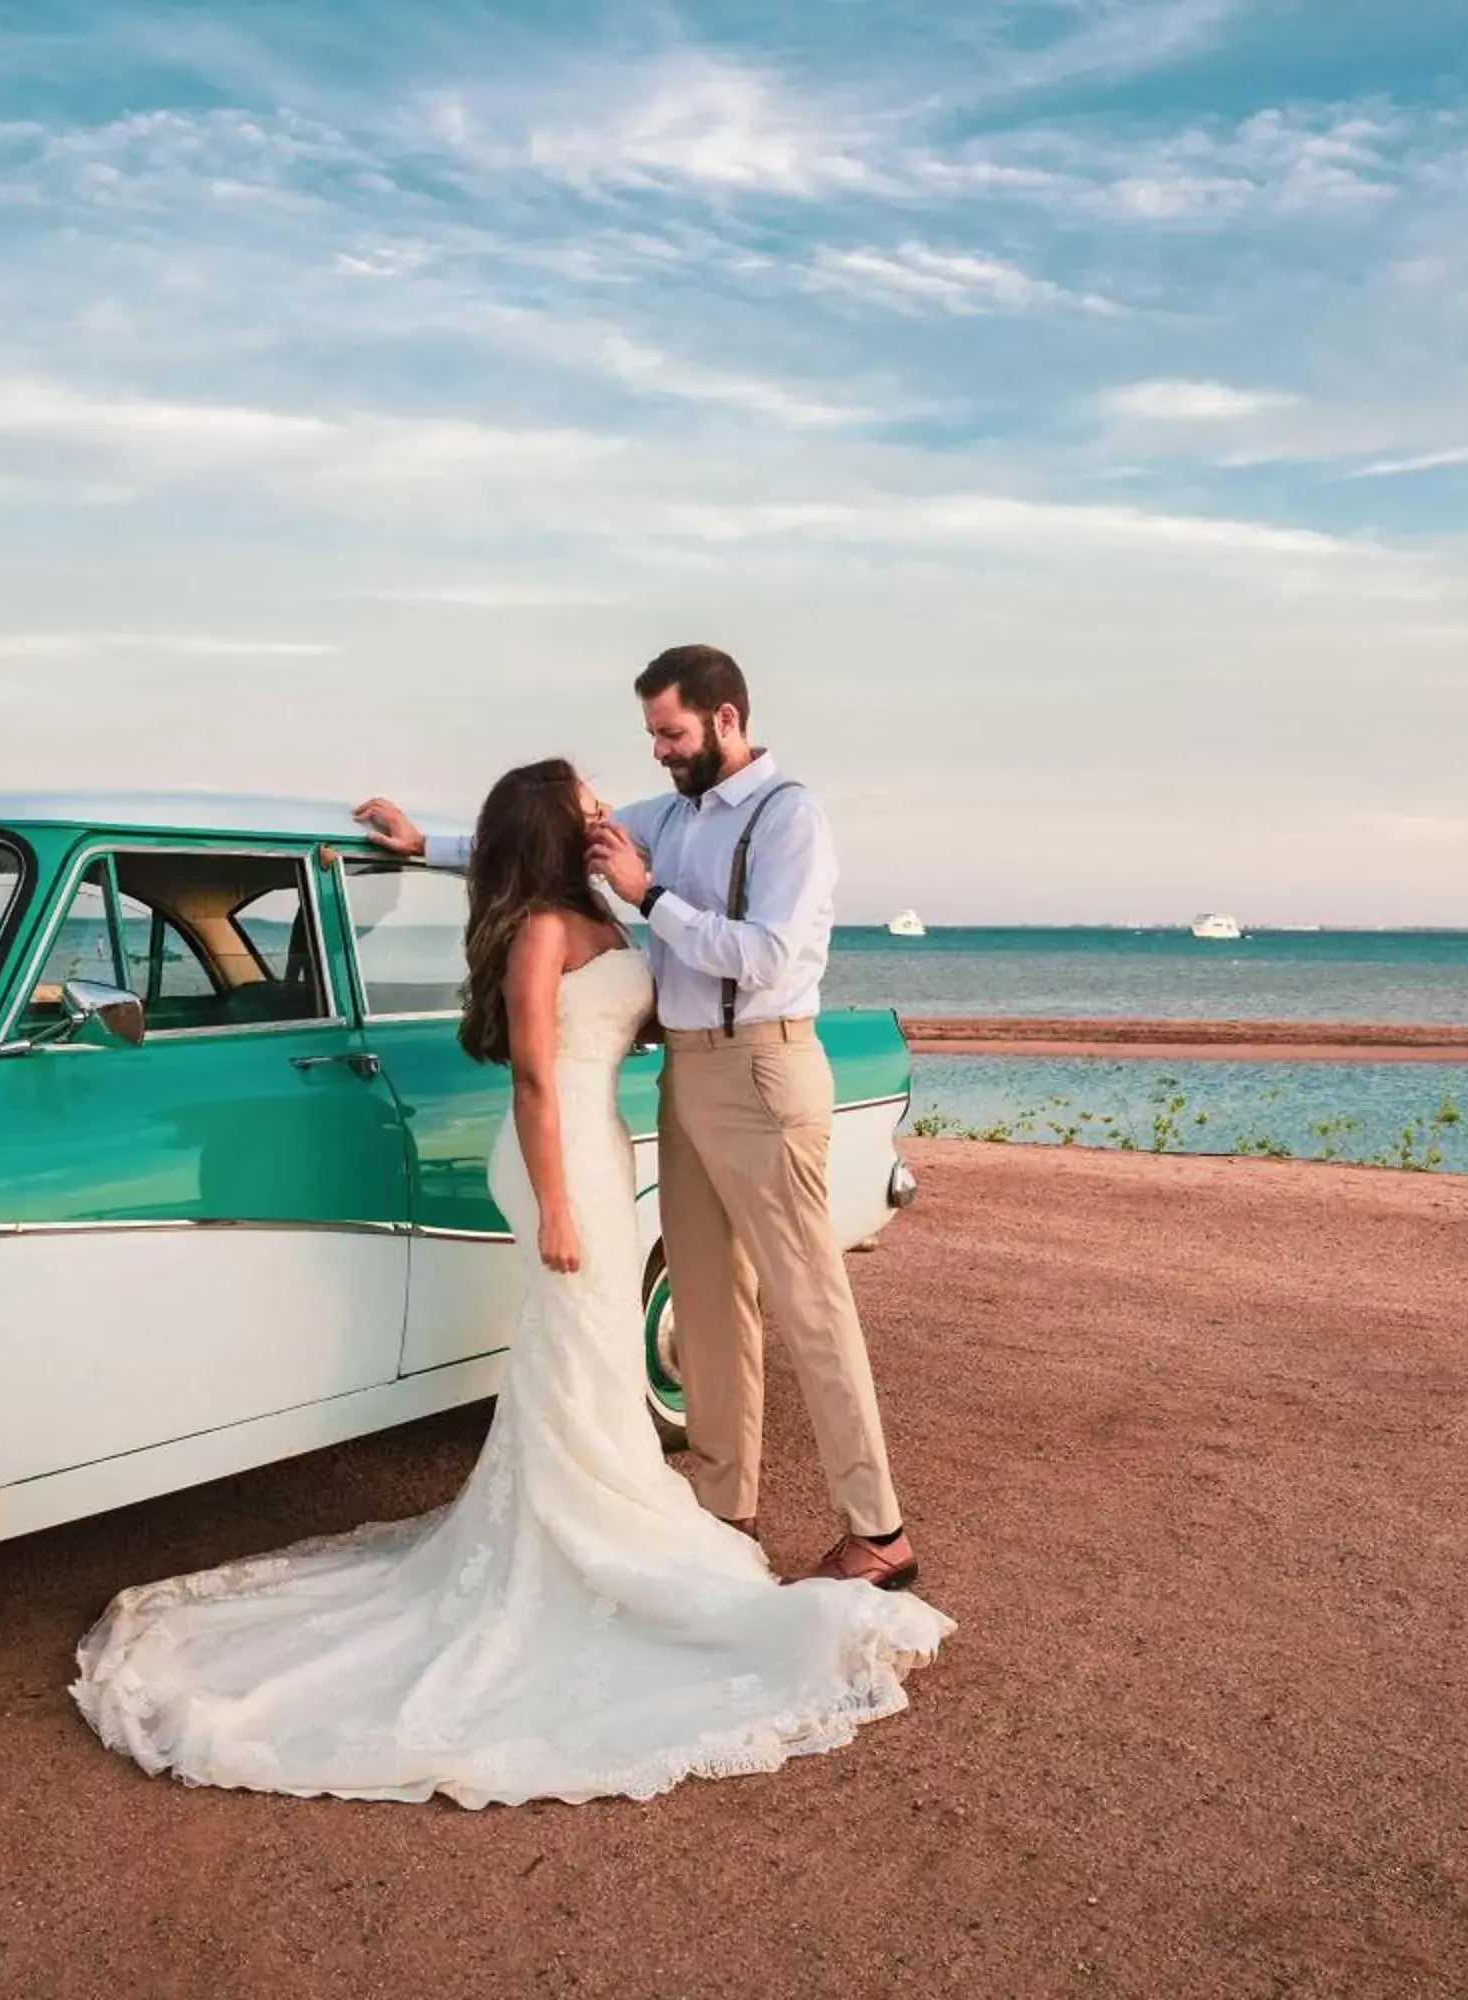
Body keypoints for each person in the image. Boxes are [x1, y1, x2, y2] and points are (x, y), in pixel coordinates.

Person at [69, 759, 949, 1806]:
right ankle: (594, 1527)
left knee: (588, 1345)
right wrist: (563, 1208)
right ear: (553, 829)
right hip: (559, 1152)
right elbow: (535, 1074)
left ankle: (628, 1508)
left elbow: (669, 958)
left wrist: (450, 848)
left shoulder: (606, 896)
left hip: (598, 1143)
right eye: (583, 807)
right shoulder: (541, 927)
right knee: (581, 1335)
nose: (603, 814)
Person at [357, 644, 918, 1588]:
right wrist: (427, 848)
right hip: (685, 1076)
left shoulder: (791, 818)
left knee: (808, 1301)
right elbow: (550, 839)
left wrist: (648, 895)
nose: (655, 751)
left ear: (725, 721)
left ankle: (879, 1532)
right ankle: (721, 1507)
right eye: (651, 734)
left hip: (765, 1069)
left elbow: (769, 957)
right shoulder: (670, 813)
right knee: (703, 1302)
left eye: (670, 732)